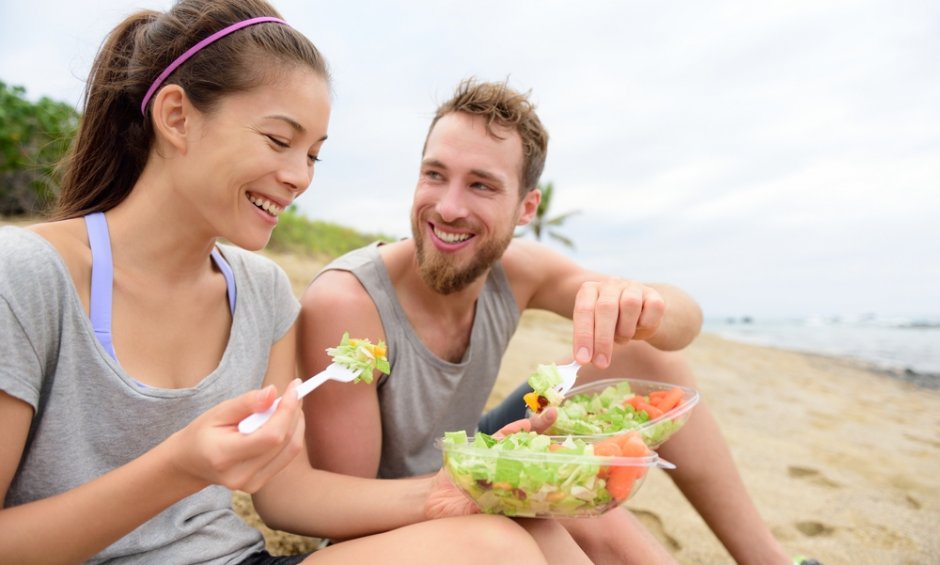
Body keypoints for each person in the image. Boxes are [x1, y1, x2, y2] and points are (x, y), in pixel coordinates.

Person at [0, 4, 591, 563]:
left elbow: (288, 496)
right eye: (280, 141)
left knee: (507, 541)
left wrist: (459, 484)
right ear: (177, 116)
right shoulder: (28, 276)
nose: (299, 177)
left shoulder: (261, 291)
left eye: (313, 155)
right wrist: (180, 466)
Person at [298, 79, 793, 564]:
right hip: (399, 508)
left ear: (526, 208)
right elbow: (345, 516)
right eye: (435, 174)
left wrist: (641, 302)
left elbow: (685, 322)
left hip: (473, 443)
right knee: (587, 511)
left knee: (645, 350)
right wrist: (508, 478)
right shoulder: (349, 302)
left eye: (481, 185)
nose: (448, 207)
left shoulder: (518, 271)